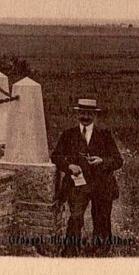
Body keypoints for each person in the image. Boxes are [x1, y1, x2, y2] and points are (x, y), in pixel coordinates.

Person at [51, 98, 123, 256]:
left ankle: (101, 250)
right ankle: (71, 250)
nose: (85, 117)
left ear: (94, 115)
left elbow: (118, 160)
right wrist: (69, 166)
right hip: (78, 185)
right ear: (77, 114)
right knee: (76, 217)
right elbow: (56, 156)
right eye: (82, 113)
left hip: (102, 184)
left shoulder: (104, 134)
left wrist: (102, 160)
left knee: (101, 218)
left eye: (89, 113)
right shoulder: (68, 134)